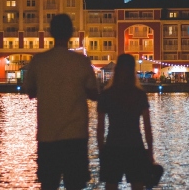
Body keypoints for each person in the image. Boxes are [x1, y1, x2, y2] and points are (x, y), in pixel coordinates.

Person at [23, 14, 100, 190]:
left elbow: (31, 92)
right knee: (75, 184)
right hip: (76, 136)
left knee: (49, 184)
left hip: (48, 137)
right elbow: (94, 94)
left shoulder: (39, 61)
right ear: (71, 34)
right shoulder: (81, 62)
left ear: (50, 33)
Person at [97, 54, 155, 190]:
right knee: (138, 185)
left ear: (116, 70)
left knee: (111, 185)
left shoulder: (107, 95)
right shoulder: (139, 95)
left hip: (113, 145)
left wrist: (101, 150)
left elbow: (100, 128)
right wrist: (150, 152)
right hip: (135, 145)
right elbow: (147, 127)